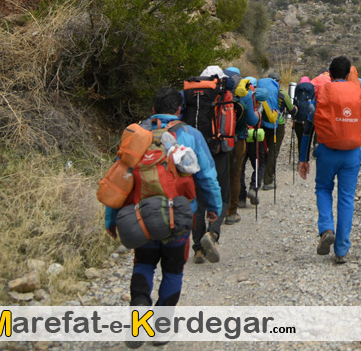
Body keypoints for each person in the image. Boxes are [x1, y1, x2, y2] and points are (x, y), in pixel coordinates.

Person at [104, 87, 222, 332]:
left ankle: (139, 313)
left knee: (144, 264)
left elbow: (118, 181)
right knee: (173, 269)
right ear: (179, 109)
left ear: (153, 110)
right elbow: (208, 177)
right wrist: (214, 207)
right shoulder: (191, 135)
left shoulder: (135, 136)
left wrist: (111, 220)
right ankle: (162, 327)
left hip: (140, 216)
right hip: (178, 217)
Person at [298, 56, 361, 264]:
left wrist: (303, 158)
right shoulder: (359, 94)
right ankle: (341, 250)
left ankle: (326, 229)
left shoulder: (322, 93)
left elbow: (308, 129)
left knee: (323, 189)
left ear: (329, 75)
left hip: (327, 151)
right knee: (346, 197)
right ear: (349, 74)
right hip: (352, 154)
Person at [187, 65, 233, 264]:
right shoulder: (223, 94)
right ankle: (212, 233)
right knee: (222, 195)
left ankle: (197, 249)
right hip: (218, 151)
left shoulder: (190, 95)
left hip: (195, 152)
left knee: (198, 201)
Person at [224, 68, 259, 224]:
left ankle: (217, 211)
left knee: (220, 174)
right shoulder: (244, 95)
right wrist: (258, 113)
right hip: (238, 139)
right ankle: (232, 213)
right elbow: (252, 121)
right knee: (236, 175)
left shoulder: (219, 93)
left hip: (219, 139)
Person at [254, 71, 296, 196]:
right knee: (273, 151)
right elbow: (292, 110)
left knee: (263, 151)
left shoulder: (261, 92)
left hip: (261, 124)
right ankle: (268, 180)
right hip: (278, 125)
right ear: (278, 82)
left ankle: (259, 177)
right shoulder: (282, 95)